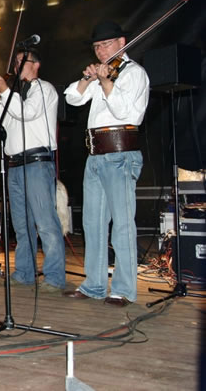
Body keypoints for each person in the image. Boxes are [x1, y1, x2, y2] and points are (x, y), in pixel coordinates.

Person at [63, 20, 149, 307]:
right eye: (96, 47)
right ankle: (95, 285)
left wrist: (106, 82)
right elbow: (73, 98)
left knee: (122, 223)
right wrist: (88, 78)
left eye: (106, 44)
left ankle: (124, 289)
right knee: (93, 223)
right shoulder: (103, 73)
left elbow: (126, 112)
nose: (100, 51)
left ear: (122, 43)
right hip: (96, 155)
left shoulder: (134, 73)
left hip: (120, 154)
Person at [0, 48, 65, 292]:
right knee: (21, 225)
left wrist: (6, 92)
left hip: (37, 162)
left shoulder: (43, 88)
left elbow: (28, 113)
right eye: (16, 61)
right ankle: (24, 273)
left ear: (36, 65)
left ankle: (54, 277)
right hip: (15, 165)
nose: (17, 64)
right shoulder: (15, 96)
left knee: (45, 223)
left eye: (23, 60)